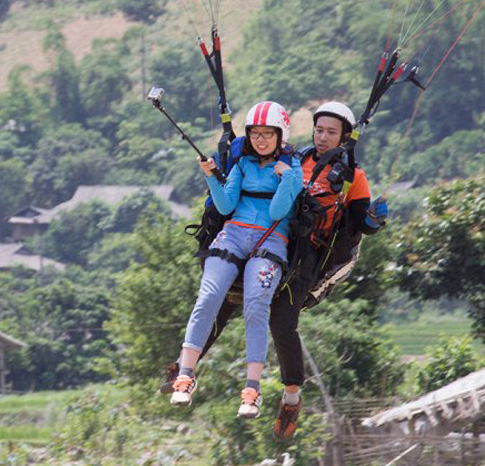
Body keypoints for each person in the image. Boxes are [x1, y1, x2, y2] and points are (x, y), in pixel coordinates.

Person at [162, 101, 389, 436]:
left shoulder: (353, 177)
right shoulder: (296, 158)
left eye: (331, 132)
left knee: (281, 323)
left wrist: (373, 219)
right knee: (220, 301)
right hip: (262, 239)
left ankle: (291, 398)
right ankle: (185, 369)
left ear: (344, 137)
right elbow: (259, 160)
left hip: (307, 255)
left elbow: (360, 224)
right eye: (319, 129)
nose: (323, 137)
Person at [169, 101, 303, 420]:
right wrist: (212, 177)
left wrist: (285, 180)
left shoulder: (292, 169)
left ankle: (252, 388)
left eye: (267, 134)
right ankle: (185, 375)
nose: (260, 140)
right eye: (255, 134)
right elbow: (227, 206)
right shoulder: (242, 165)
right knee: (209, 296)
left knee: (256, 305)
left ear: (279, 135)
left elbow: (277, 213)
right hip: (233, 234)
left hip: (271, 239)